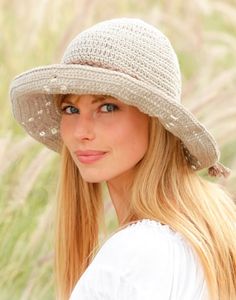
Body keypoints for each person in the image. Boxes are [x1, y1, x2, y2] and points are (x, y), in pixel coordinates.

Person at [10, 18, 236, 300]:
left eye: (107, 106)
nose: (81, 132)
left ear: (156, 120)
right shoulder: (207, 232)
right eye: (70, 109)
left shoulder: (133, 256)